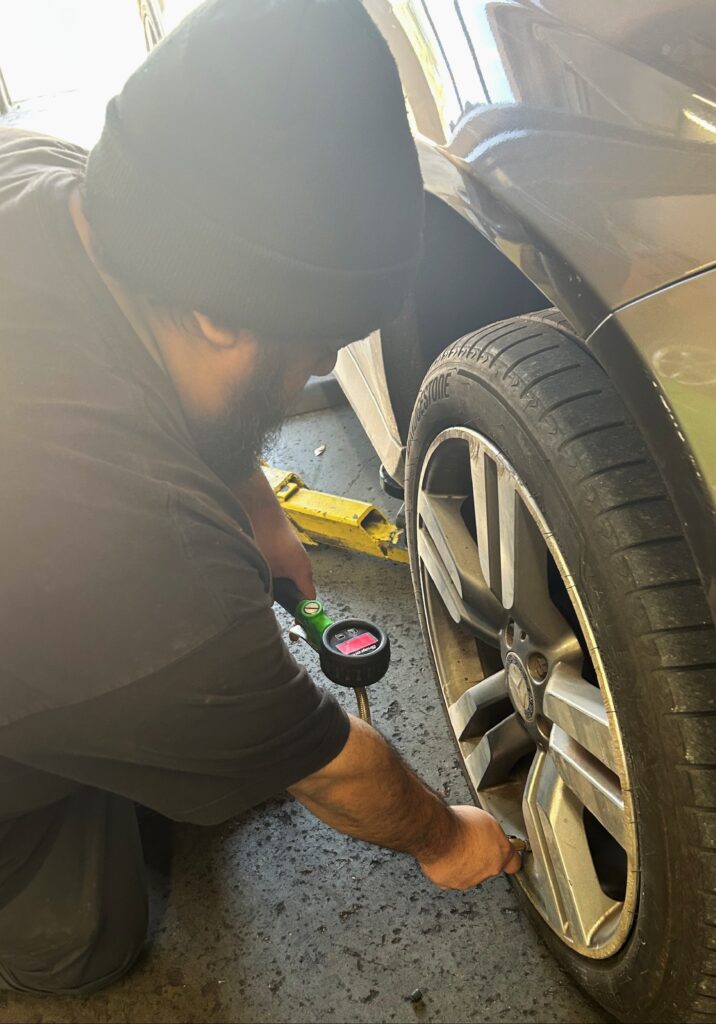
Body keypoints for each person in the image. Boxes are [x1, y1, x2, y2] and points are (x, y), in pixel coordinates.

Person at [0, 0, 520, 996]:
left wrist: (254, 502)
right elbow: (336, 772)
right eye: (313, 347)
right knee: (83, 933)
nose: (318, 369)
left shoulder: (53, 183)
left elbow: (197, 399)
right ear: (215, 313)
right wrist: (444, 832)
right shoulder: (131, 561)